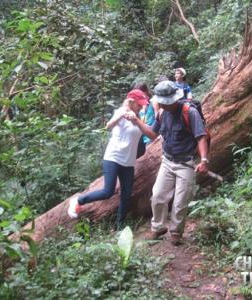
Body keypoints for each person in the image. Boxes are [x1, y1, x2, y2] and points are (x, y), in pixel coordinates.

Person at [128, 80, 209, 245]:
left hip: (186, 163)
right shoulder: (162, 113)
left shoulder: (189, 112)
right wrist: (136, 121)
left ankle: (176, 233)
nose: (165, 105)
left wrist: (204, 160)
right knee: (157, 196)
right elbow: (152, 134)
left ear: (175, 99)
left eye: (168, 102)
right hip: (167, 161)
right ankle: (157, 228)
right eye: (163, 102)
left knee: (180, 201)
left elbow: (201, 136)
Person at [67, 89, 151, 231]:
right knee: (108, 191)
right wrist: (122, 116)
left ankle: (119, 227)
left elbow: (146, 131)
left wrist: (135, 119)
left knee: (126, 195)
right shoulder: (121, 111)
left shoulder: (139, 116)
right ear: (132, 102)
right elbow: (108, 126)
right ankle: (78, 200)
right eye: (139, 103)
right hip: (113, 157)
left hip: (128, 162)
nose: (142, 106)